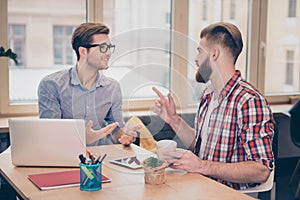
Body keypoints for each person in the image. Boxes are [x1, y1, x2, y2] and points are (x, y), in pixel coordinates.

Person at [152, 22, 274, 190]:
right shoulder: (208, 96)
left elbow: (261, 170)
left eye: (200, 51)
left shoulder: (249, 101)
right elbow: (201, 146)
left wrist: (201, 166)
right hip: (200, 186)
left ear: (214, 54)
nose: (196, 59)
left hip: (226, 193)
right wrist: (173, 119)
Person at [38, 22, 140, 146]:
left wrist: (124, 136)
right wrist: (82, 140)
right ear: (83, 51)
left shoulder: (112, 88)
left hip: (103, 157)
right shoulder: (51, 85)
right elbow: (51, 135)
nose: (108, 53)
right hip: (66, 156)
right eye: (103, 48)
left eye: (109, 47)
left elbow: (116, 130)